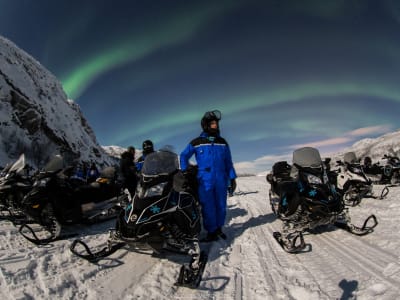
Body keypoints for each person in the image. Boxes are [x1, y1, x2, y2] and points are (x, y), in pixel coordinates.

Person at [180, 110, 237, 242]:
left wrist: (232, 177)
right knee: (208, 206)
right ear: (205, 125)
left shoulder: (222, 142)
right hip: (205, 180)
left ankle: (218, 229)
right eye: (212, 123)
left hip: (221, 179)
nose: (215, 125)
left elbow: (228, 161)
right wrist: (184, 170)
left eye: (216, 123)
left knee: (221, 205)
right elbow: (183, 155)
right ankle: (211, 231)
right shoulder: (197, 142)